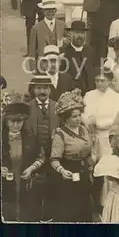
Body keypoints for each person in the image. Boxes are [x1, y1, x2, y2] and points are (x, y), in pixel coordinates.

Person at [82, 69, 119, 212]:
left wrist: (99, 122)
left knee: (108, 167)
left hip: (108, 136)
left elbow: (117, 117)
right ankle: (94, 202)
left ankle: (108, 202)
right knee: (93, 167)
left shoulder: (116, 97)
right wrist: (88, 120)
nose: (99, 83)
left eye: (103, 80)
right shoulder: (89, 95)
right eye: (97, 80)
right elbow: (83, 113)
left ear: (109, 81)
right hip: (92, 135)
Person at [1, 92, 46, 222]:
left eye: (19, 121)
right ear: (6, 121)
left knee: (27, 213)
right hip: (6, 184)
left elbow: (41, 156)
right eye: (12, 121)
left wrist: (31, 169)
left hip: (26, 182)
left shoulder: (30, 138)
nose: (16, 125)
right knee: (8, 212)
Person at [50, 89, 94, 222]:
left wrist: (90, 170)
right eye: (74, 116)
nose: (78, 118)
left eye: (79, 115)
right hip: (69, 172)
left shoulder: (84, 129)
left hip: (84, 171)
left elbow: (88, 151)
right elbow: (54, 159)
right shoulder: (60, 134)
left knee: (85, 205)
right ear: (65, 118)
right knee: (71, 207)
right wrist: (62, 170)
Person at [25, 73, 60, 221]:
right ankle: (34, 218)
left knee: (53, 187)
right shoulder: (27, 108)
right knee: (34, 190)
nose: (42, 91)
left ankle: (51, 217)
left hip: (54, 155)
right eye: (38, 88)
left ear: (50, 89)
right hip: (32, 155)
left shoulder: (57, 106)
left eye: (45, 88)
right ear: (33, 90)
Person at [59, 21, 96, 96]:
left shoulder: (90, 51)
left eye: (82, 33)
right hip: (70, 94)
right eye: (76, 32)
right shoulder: (63, 51)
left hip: (89, 93)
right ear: (71, 34)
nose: (80, 36)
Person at [27, 0, 65, 67]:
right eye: (47, 9)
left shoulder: (62, 25)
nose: (50, 12)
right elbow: (32, 51)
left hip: (60, 65)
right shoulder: (36, 28)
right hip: (42, 65)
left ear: (56, 10)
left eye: (53, 9)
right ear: (43, 11)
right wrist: (33, 67)